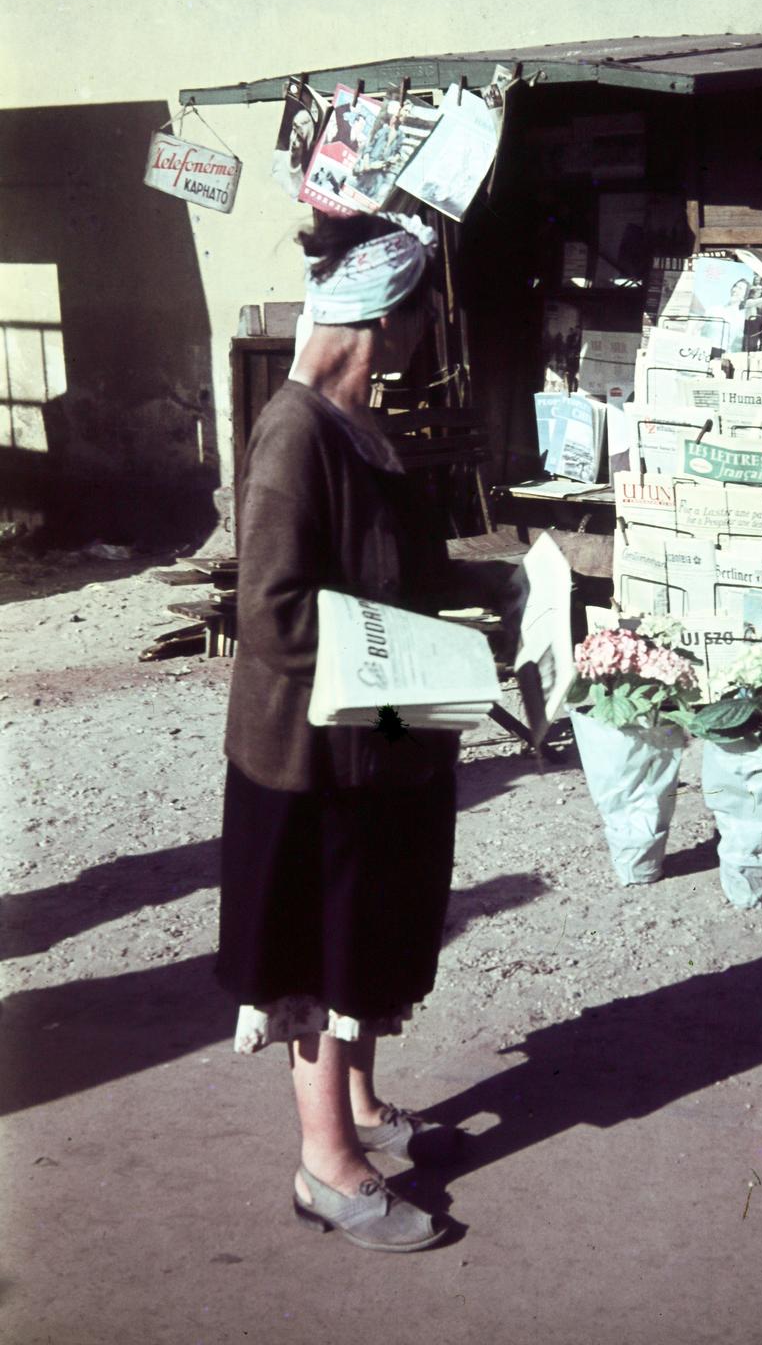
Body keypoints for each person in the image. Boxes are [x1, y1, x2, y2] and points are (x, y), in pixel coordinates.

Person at [216, 209, 521, 1253]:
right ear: (383, 325)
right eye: (420, 328)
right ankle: (326, 1168)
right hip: (315, 759)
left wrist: (496, 588)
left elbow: (396, 573)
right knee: (325, 944)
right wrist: (410, 646)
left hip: (379, 739)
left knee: (374, 930)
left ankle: (360, 1112)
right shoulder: (297, 432)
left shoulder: (361, 423)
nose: (421, 349)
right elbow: (273, 610)